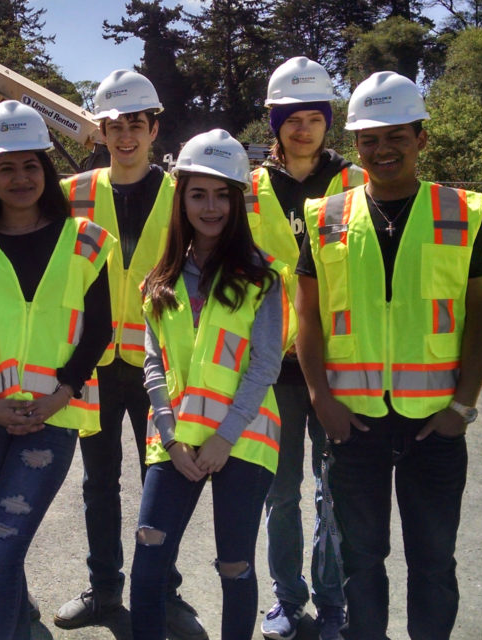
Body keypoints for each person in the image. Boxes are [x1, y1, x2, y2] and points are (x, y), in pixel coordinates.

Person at [295, 71, 482, 640]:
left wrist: (462, 407)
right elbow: (307, 315)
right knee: (361, 562)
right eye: (369, 139)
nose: (382, 150)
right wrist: (320, 399)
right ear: (356, 144)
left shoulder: (460, 212)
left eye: (396, 137)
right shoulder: (326, 216)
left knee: (434, 562)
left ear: (421, 139)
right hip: (353, 423)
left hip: (434, 424)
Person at [0, 100, 112, 639]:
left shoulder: (84, 239)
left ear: (46, 170)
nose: (20, 177)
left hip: (52, 416)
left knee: (4, 543)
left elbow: (98, 329)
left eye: (30, 165)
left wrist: (61, 395)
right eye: (5, 167)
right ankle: (25, 626)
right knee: (0, 540)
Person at [55, 69, 206, 639]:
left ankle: (162, 591)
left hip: (158, 366)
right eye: (113, 126)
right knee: (98, 483)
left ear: (153, 128)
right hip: (92, 365)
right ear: (99, 130)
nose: (124, 137)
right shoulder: (72, 193)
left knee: (159, 480)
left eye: (134, 125)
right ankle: (105, 587)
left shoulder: (180, 195)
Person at [129, 129, 284, 640]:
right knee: (149, 550)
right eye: (199, 193)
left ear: (238, 202)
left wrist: (224, 438)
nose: (211, 206)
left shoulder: (262, 277)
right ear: (182, 198)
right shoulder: (161, 278)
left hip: (240, 440)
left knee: (234, 565)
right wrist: (170, 438)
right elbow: (154, 364)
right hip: (175, 441)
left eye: (223, 194)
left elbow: (264, 366)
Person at [252, 56, 366, 640]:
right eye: (291, 117)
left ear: (328, 123)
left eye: (314, 117)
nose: (303, 129)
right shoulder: (247, 188)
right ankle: (287, 601)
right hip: (269, 370)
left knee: (334, 495)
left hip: (337, 369)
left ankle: (333, 603)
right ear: (275, 122)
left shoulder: (354, 185)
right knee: (281, 495)